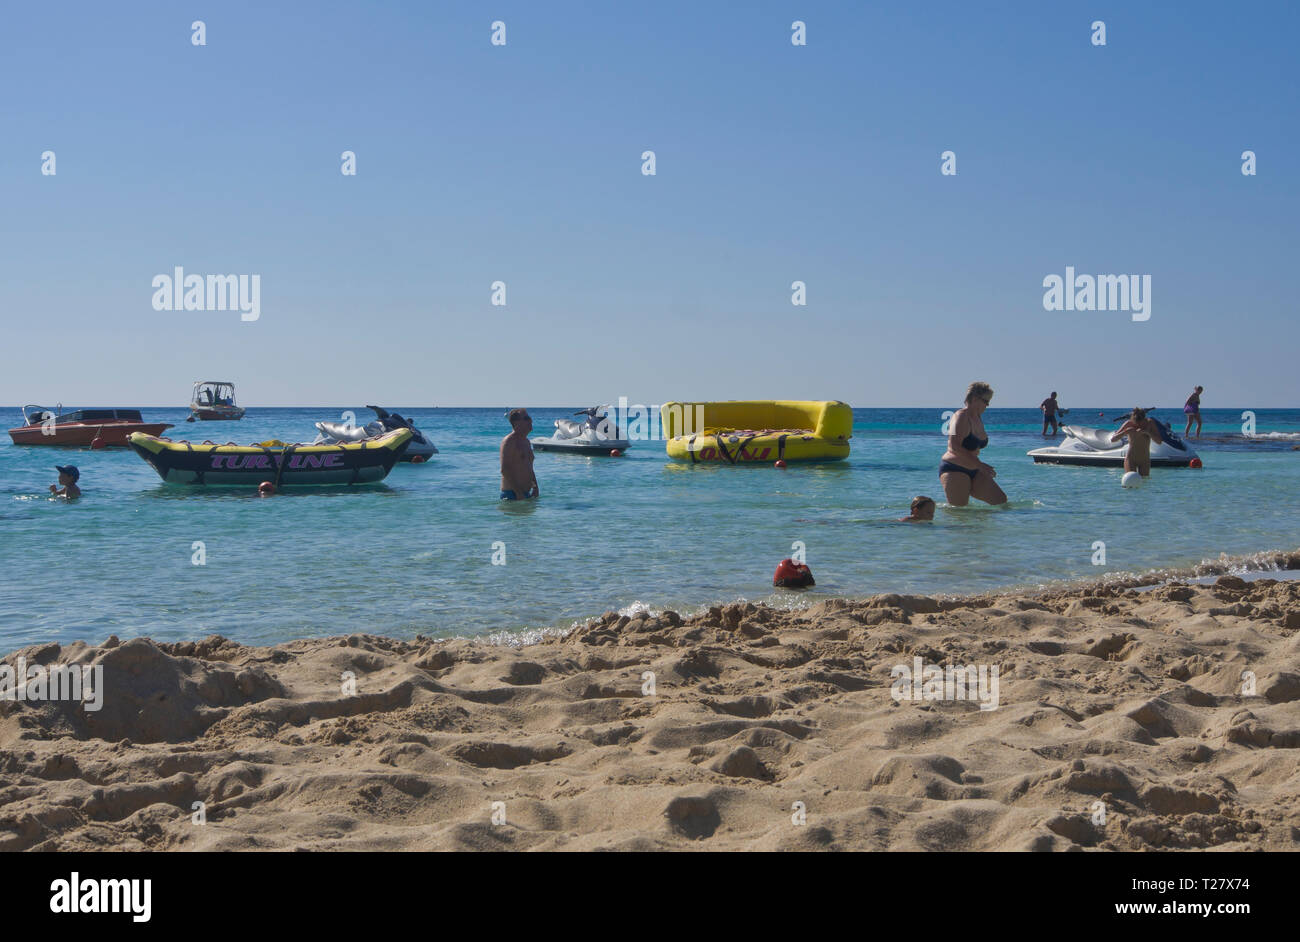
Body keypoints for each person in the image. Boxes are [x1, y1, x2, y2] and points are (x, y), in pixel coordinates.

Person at [940, 382, 1007, 507]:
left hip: (974, 469)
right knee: (960, 513)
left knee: (1001, 502)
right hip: (954, 468)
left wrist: (978, 466)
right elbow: (954, 446)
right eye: (986, 401)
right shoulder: (960, 416)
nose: (987, 405)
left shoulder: (977, 417)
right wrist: (980, 465)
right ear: (975, 399)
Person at [1111, 407, 1164, 477]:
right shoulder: (1128, 423)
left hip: (1144, 460)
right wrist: (1125, 432)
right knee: (1131, 481)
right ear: (1133, 418)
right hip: (1131, 459)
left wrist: (1148, 432)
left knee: (1144, 484)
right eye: (1136, 422)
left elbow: (1159, 441)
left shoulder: (1150, 423)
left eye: (1140, 422)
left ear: (1144, 418)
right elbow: (1113, 439)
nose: (1138, 425)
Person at [499, 408, 539, 500]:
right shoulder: (509, 441)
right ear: (516, 423)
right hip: (512, 495)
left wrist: (535, 487)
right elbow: (504, 470)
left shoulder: (526, 442)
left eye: (529, 418)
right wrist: (518, 493)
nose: (531, 420)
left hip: (526, 494)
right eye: (527, 418)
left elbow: (529, 467)